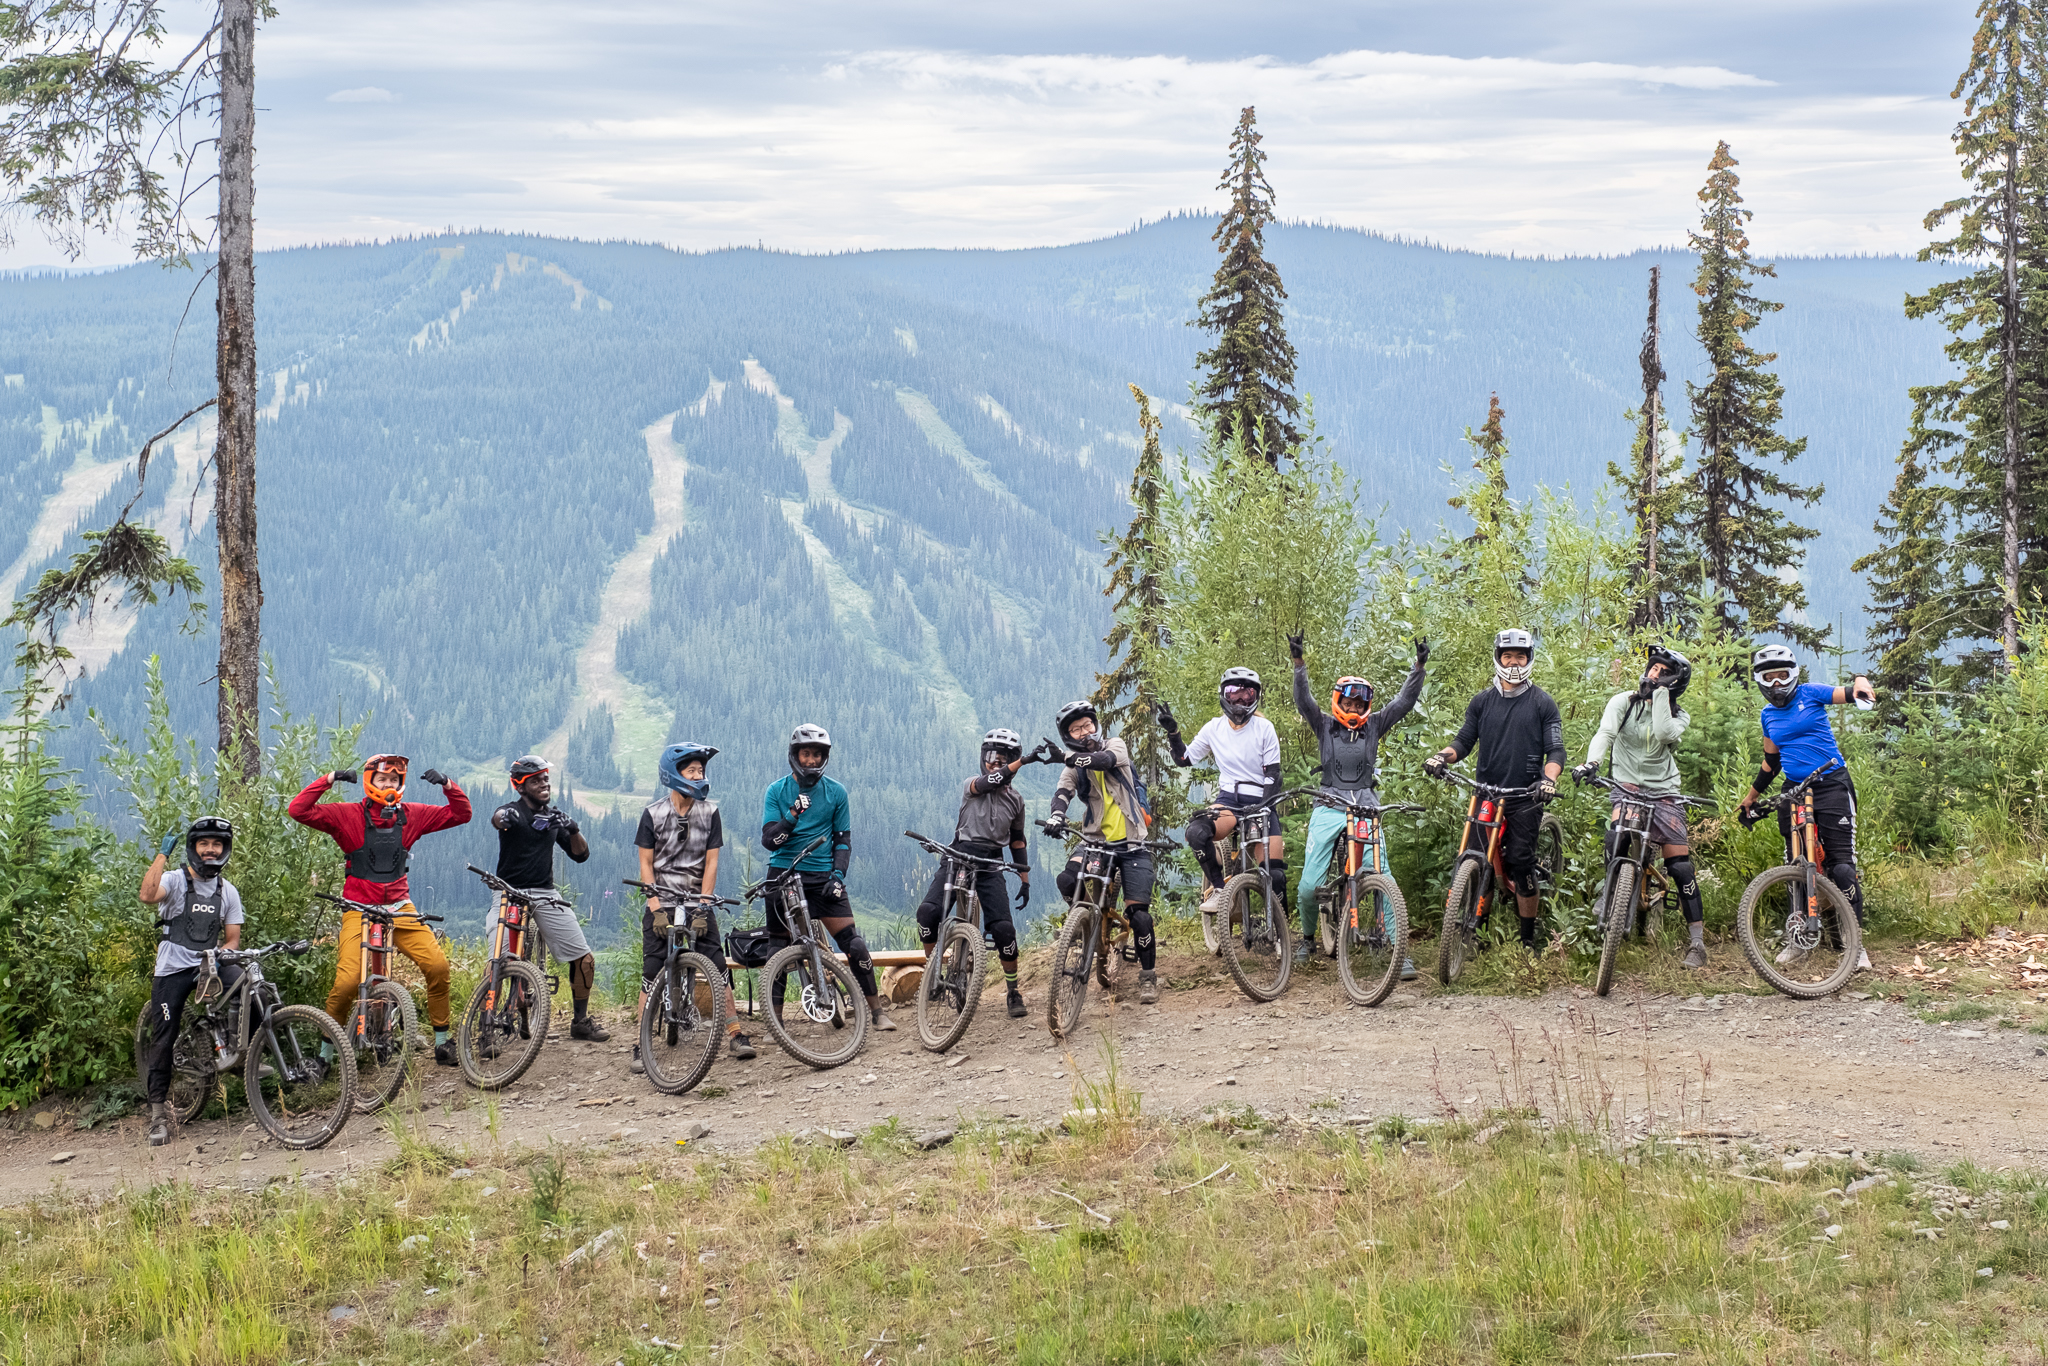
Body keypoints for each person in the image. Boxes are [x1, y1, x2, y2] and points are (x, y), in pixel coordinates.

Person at [289, 754, 470, 1065]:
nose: (389, 784)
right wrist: (330, 779)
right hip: (357, 908)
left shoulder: (411, 815)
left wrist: (447, 785)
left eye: (395, 780)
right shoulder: (348, 815)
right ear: (370, 781)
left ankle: (442, 1041)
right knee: (347, 983)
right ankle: (324, 1056)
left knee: (438, 967)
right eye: (383, 779)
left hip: (399, 906)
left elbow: (461, 814)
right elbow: (298, 810)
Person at [1291, 634, 1429, 969]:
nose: (1353, 709)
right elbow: (1304, 701)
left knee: (1385, 878)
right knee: (1310, 885)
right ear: (1339, 701)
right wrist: (1299, 664)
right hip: (1328, 805)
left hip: (1366, 806)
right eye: (1348, 703)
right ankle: (1307, 938)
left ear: (1366, 706)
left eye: (1359, 704)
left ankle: (1397, 951)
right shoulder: (1323, 724)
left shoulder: (1375, 725)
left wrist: (1419, 666)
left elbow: (1404, 702)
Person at [1736, 645, 1877, 972]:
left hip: (1832, 785)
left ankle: (1855, 945)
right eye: (1768, 677)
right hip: (1794, 791)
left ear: (1793, 674)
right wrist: (1751, 796)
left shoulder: (1811, 694)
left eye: (1781, 676)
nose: (1775, 684)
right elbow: (1771, 762)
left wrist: (1860, 680)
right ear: (1759, 679)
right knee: (1796, 867)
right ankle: (1799, 941)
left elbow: (1850, 693)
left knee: (1842, 868)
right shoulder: (1767, 715)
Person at [1424, 628, 1566, 951]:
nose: (1514, 662)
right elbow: (1462, 742)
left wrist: (1549, 780)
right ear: (1498, 658)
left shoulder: (1543, 704)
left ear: (1529, 658)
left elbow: (1556, 751)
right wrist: (1440, 758)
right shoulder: (1481, 702)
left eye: (1520, 656)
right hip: (1486, 794)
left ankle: (1528, 940)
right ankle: (1477, 935)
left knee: (1521, 862)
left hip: (1526, 796)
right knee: (1475, 860)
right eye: (1508, 656)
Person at [1574, 645, 1706, 968]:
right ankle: (1610, 893)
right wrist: (1591, 763)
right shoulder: (1624, 702)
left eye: (1664, 673)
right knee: (1615, 838)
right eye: (1653, 669)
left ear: (1676, 682)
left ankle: (1697, 943)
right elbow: (1604, 733)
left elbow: (1663, 733)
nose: (1654, 675)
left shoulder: (1679, 716)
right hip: (1627, 786)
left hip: (1665, 791)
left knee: (1681, 868)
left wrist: (1659, 695)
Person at [760, 723, 895, 1030]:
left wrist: (837, 876)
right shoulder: (777, 791)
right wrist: (792, 815)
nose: (811, 761)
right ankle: (775, 1023)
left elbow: (843, 841)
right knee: (777, 950)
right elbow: (769, 840)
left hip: (822, 876)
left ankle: (876, 1012)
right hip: (782, 875)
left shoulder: (836, 792)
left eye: (817, 755)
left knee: (855, 945)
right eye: (806, 754)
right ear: (795, 755)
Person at [633, 741, 757, 1071]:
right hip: (662, 898)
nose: (699, 776)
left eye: (701, 770)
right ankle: (639, 1043)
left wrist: (703, 907)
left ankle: (735, 1034)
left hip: (696, 899)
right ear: (674, 775)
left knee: (717, 965)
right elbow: (646, 864)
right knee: (651, 970)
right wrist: (655, 906)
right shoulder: (653, 814)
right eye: (692, 770)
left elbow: (711, 863)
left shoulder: (710, 812)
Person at [915, 728, 1040, 1020]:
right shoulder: (971, 784)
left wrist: (1025, 879)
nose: (995, 763)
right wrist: (1021, 762)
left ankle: (1013, 991)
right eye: (990, 757)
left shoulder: (1016, 801)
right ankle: (933, 972)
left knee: (1005, 931)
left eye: (1003, 758)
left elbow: (1017, 841)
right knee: (927, 913)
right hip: (957, 856)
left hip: (990, 863)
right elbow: (991, 781)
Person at [1043, 700, 1160, 1003]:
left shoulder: (1115, 745)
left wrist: (1068, 756)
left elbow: (1105, 760)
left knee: (1141, 919)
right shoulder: (1073, 767)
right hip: (1095, 842)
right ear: (1068, 735)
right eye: (1076, 729)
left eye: (1088, 725)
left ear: (1096, 725)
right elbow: (1062, 793)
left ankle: (1148, 976)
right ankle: (1083, 921)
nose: (1085, 732)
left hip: (1133, 843)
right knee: (1067, 880)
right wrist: (1056, 815)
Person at [138, 818, 245, 1146]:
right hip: (171, 971)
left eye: (217, 844)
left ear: (223, 849)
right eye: (204, 844)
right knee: (164, 1038)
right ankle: (158, 1115)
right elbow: (146, 894)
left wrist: (217, 959)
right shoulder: (174, 880)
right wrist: (162, 854)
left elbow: (233, 939)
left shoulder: (227, 890)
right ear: (194, 847)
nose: (211, 850)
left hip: (207, 966)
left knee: (246, 983)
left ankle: (244, 1058)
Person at [487, 755, 606, 1042]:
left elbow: (581, 855)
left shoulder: (553, 818)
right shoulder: (511, 811)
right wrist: (505, 819)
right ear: (520, 786)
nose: (544, 784)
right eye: (536, 780)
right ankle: (486, 1026)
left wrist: (573, 829)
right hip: (508, 891)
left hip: (545, 892)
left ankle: (580, 1021)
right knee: (497, 960)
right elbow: (497, 819)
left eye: (545, 779)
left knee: (584, 958)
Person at [1160, 667, 1285, 920]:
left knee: (1276, 875)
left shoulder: (1264, 728)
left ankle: (1280, 930)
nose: (1240, 701)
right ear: (1224, 695)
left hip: (1262, 800)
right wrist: (1173, 733)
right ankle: (1219, 887)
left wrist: (1263, 806)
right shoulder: (1213, 728)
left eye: (1247, 695)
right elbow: (1184, 759)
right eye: (1233, 693)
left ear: (1256, 697)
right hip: (1229, 800)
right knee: (1196, 831)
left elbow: (1273, 775)